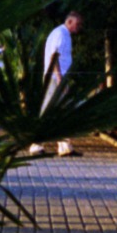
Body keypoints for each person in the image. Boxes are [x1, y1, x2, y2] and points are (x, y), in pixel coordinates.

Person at [31, 11, 82, 157]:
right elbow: (55, 56)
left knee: (63, 110)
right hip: (54, 78)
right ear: (70, 22)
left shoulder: (63, 34)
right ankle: (36, 144)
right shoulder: (60, 34)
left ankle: (64, 145)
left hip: (60, 77)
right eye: (77, 24)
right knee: (48, 108)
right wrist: (59, 78)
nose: (78, 28)